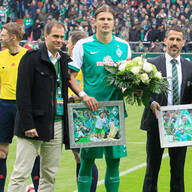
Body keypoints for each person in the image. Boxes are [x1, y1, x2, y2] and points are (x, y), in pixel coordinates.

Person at [69, 5, 131, 192]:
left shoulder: (123, 46)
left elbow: (127, 78)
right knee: (86, 162)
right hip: (90, 112)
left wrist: (131, 89)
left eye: (109, 19)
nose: (105, 22)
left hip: (114, 112)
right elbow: (69, 76)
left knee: (114, 163)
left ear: (114, 22)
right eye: (102, 19)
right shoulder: (83, 45)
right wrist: (83, 95)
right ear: (94, 21)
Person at [7, 21, 71, 192]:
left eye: (61, 37)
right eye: (55, 36)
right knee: (21, 173)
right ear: (45, 36)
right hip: (33, 124)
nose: (59, 40)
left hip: (56, 123)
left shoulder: (64, 59)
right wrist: (28, 123)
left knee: (49, 174)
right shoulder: (31, 58)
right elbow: (22, 94)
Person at [140, 25, 192, 192]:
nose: (174, 43)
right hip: (156, 123)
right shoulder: (151, 64)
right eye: (171, 39)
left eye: (178, 40)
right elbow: (143, 91)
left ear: (183, 42)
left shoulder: (190, 67)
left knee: (178, 172)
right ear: (165, 41)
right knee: (152, 171)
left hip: (180, 126)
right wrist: (151, 103)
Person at [0, 22, 40, 192]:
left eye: (3, 34)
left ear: (13, 37)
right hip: (3, 105)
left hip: (24, 107)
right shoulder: (1, 56)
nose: (1, 37)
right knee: (1, 151)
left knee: (32, 150)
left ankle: (39, 188)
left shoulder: (29, 56)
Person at [66, 30, 99, 192]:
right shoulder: (69, 62)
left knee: (84, 157)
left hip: (82, 113)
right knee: (78, 157)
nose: (66, 45)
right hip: (69, 112)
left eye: (69, 43)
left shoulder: (83, 62)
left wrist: (75, 97)